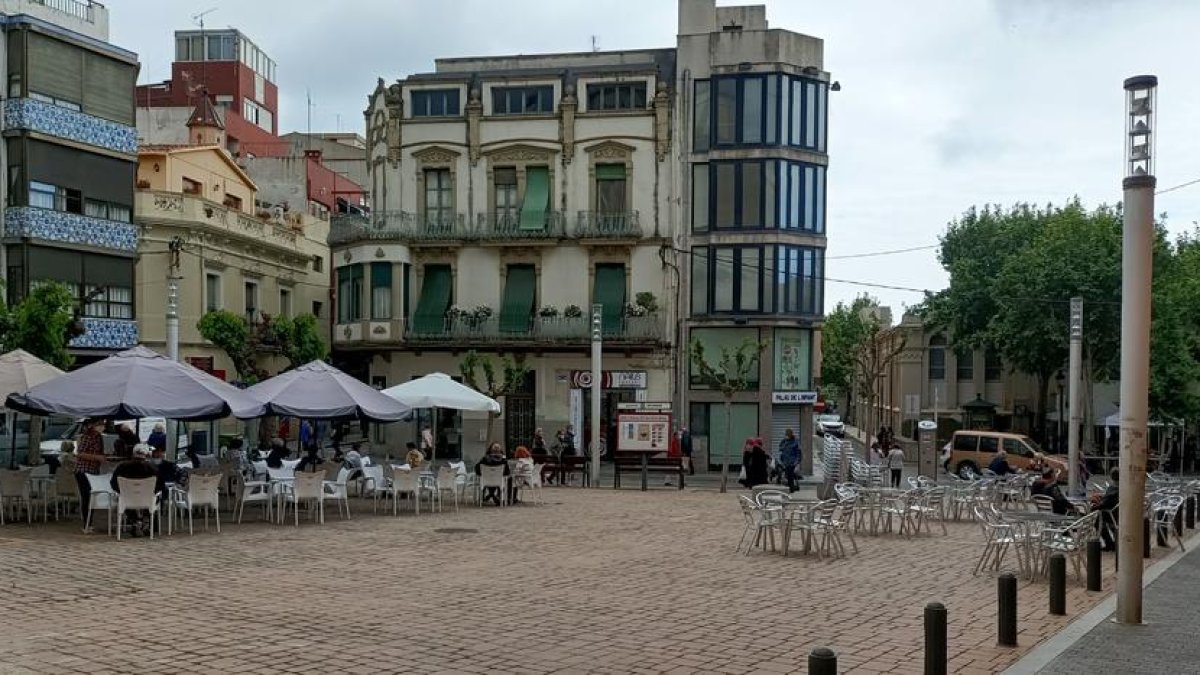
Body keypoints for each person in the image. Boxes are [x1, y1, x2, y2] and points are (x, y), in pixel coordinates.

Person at [110, 445, 160, 537]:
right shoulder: (153, 468)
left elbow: (113, 484)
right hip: (147, 500)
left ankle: (134, 521)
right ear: (146, 455)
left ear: (133, 454)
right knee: (155, 497)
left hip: (127, 499)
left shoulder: (121, 467)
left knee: (124, 499)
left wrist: (122, 492)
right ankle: (146, 520)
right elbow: (159, 486)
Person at [75, 419, 106, 533]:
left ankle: (89, 522)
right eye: (100, 424)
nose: (102, 426)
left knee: (92, 497)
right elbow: (80, 453)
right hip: (83, 470)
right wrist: (97, 457)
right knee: (87, 497)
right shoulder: (87, 437)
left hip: (94, 471)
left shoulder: (99, 437)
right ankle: (86, 524)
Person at [1091, 468, 1120, 551]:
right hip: (1117, 512)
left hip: (1111, 513)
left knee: (1096, 520)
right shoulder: (1121, 486)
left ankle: (1109, 542)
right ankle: (1111, 542)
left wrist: (1094, 507)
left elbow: (1105, 503)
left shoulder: (1113, 488)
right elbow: (1108, 500)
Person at [778, 429, 801, 493]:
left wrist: (796, 462)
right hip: (785, 461)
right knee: (787, 475)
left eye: (787, 435)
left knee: (790, 476)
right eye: (786, 435)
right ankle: (790, 488)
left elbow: (798, 453)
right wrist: (784, 444)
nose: (786, 436)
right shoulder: (784, 441)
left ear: (790, 435)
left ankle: (791, 489)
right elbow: (780, 448)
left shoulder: (795, 442)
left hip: (792, 462)